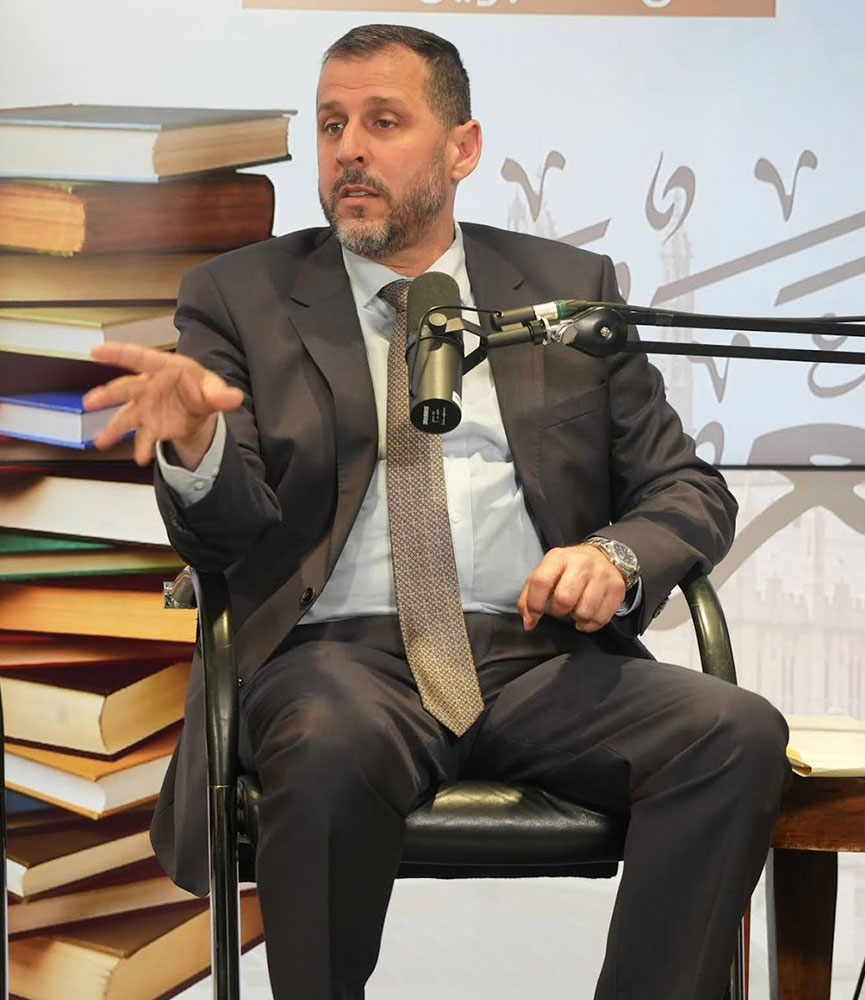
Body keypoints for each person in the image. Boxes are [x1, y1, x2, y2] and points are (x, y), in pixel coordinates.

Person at [84, 24, 790, 1000]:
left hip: (537, 657)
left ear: (462, 147)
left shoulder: (566, 292)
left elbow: (686, 487)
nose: (349, 150)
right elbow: (228, 537)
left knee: (735, 732)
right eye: (331, 125)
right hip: (336, 662)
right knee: (326, 743)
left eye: (383, 122)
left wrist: (616, 559)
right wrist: (197, 447)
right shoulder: (239, 297)